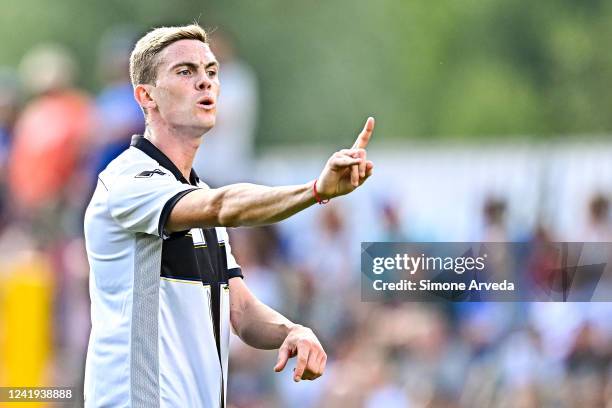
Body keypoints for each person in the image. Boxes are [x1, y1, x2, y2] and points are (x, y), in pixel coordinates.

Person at [83, 24, 374, 407]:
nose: (204, 82)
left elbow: (240, 311)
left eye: (212, 72)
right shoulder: (129, 179)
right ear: (146, 96)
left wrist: (292, 330)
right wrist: (314, 191)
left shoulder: (196, 194)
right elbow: (224, 206)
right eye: (185, 72)